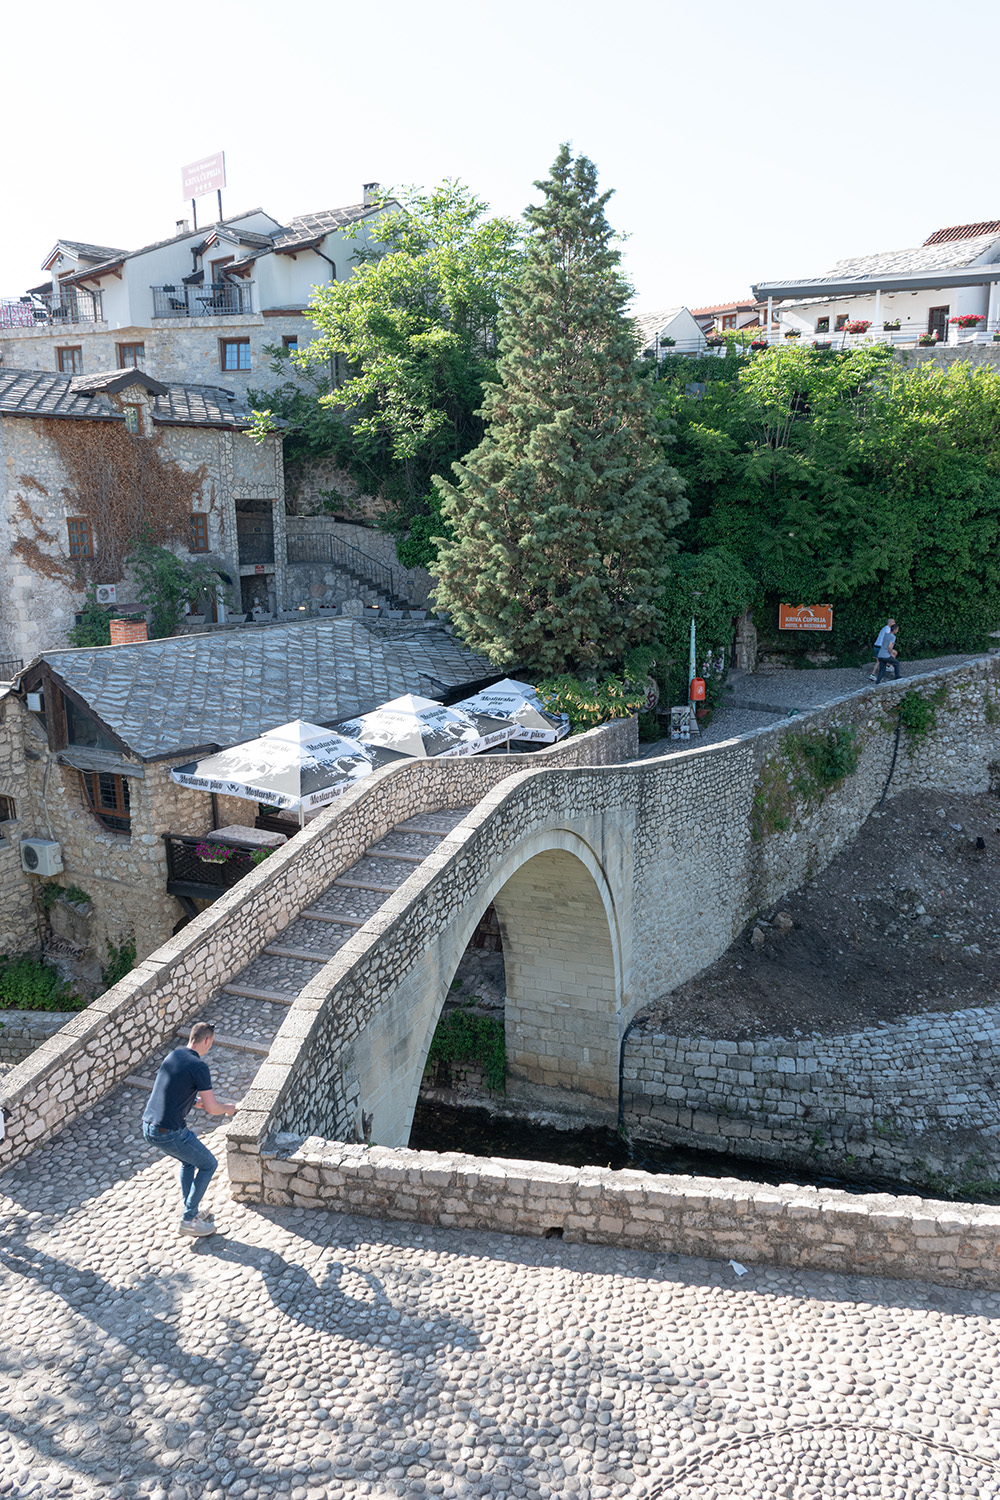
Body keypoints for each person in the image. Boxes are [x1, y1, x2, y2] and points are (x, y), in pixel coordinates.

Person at [141, 1021, 236, 1237]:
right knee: (209, 1164)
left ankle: (190, 1210)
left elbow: (170, 1090)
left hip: (149, 1127)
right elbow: (212, 1108)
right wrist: (228, 1108)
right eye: (211, 1043)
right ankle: (189, 1219)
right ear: (207, 1040)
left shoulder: (173, 1055)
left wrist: (193, 1102)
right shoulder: (199, 1066)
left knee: (188, 1161)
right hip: (169, 1131)